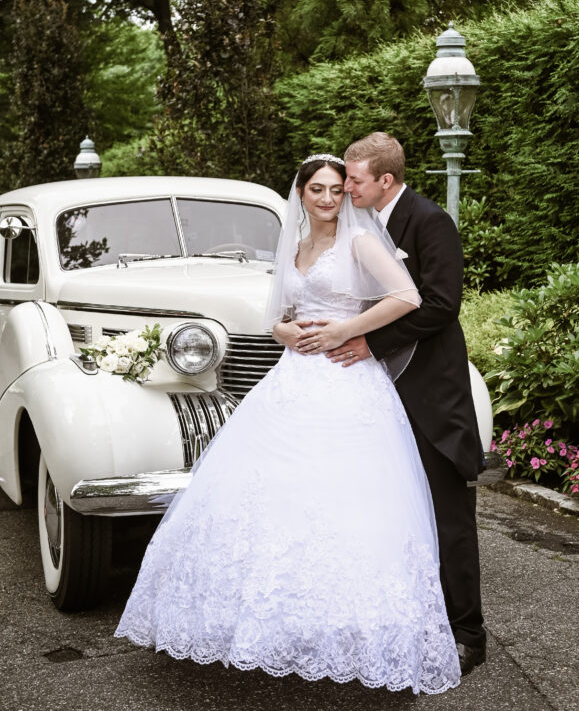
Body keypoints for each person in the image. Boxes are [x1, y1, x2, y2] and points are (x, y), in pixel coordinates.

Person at [115, 154, 461, 694]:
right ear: (300, 193)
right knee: (267, 497)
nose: (327, 198)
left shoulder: (360, 242)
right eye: (317, 189)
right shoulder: (296, 248)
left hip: (347, 383)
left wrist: (347, 330)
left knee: (346, 501)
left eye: (336, 190)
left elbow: (407, 296)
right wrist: (287, 335)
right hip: (291, 381)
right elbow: (280, 316)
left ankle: (358, 628)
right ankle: (271, 623)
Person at [298, 133, 486, 674]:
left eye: (352, 180)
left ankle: (468, 633)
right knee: (388, 514)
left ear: (385, 180)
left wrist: (368, 343)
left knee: (448, 514)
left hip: (429, 390)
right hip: (370, 395)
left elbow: (443, 306)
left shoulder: (428, 221)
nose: (343, 187)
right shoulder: (354, 227)